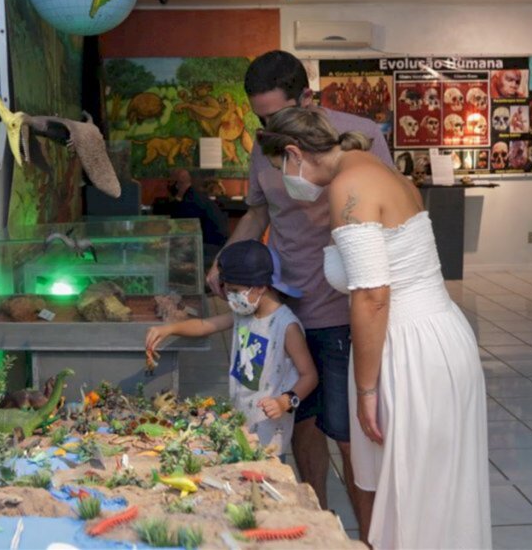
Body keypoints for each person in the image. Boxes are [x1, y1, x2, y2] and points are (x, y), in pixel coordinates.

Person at [257, 106, 491, 549]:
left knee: (411, 488)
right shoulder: (377, 169)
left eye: (280, 168)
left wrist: (365, 391)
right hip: (436, 333)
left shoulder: (349, 185)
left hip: (409, 345)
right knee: (432, 485)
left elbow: (371, 295)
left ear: (294, 153)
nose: (284, 182)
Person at [206, 50, 392, 536]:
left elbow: (390, 217)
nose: (269, 127)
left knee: (350, 436)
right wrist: (225, 258)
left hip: (342, 310)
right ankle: (319, 528)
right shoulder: (262, 147)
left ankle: (370, 538)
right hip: (286, 309)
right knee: (299, 421)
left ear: (306, 98)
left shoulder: (361, 136)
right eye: (260, 118)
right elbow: (258, 212)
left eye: (276, 115)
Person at [146, 241, 317, 456]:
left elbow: (309, 375)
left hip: (269, 434)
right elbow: (205, 325)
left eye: (235, 291)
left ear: (261, 287)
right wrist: (170, 329)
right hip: (241, 422)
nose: (230, 297)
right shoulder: (244, 313)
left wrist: (285, 401)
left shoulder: (286, 326)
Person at [153, 169, 229, 264]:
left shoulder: (190, 201)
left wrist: (164, 244)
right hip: (216, 247)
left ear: (177, 184)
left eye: (171, 182)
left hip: (210, 249)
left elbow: (185, 234)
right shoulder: (195, 196)